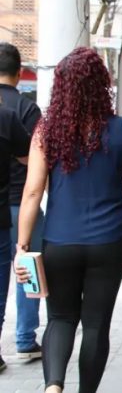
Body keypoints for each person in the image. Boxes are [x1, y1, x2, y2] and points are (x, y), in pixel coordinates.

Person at [14, 47, 122, 393]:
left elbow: (32, 192)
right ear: (101, 85)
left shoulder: (46, 131)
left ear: (60, 86)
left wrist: (22, 246)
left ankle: (53, 387)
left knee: (60, 318)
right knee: (95, 326)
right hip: (110, 243)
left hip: (60, 241)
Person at [0, 42, 43, 361]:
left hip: (6, 207)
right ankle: (25, 338)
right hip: (22, 203)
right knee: (28, 266)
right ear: (19, 72)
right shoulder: (28, 108)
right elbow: (36, 161)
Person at [0, 95, 31, 373]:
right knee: (7, 283)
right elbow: (29, 157)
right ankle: (24, 339)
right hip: (9, 209)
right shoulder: (9, 115)